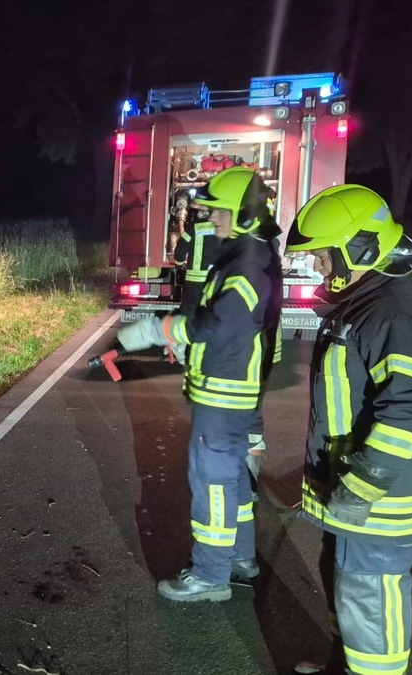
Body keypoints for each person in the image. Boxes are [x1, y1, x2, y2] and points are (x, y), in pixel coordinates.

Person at [284, 185, 412, 675]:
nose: (316, 265)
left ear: (359, 248)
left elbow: (410, 408)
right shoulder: (366, 303)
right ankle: (348, 664)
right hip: (353, 486)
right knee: (346, 582)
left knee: (371, 594)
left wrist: (363, 484)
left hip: (380, 497)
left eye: (322, 255)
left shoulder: (395, 313)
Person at [116, 166, 283, 601]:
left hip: (225, 388)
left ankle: (210, 576)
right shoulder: (252, 254)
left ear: (245, 213)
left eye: (222, 212)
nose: (214, 220)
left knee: (212, 479)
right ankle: (242, 557)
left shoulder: (246, 264)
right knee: (233, 478)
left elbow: (222, 325)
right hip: (234, 384)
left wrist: (162, 330)